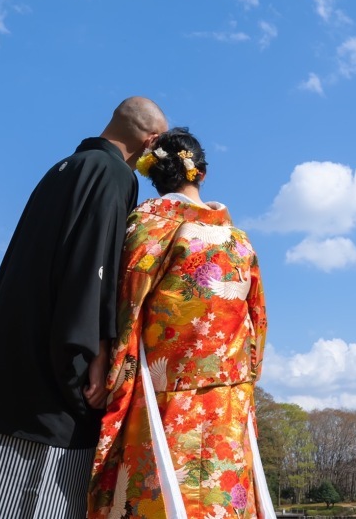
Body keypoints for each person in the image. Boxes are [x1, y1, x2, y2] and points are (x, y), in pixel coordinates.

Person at [0, 97, 169, 519]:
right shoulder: (113, 174)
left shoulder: (62, 169)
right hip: (49, 384)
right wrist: (96, 354)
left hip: (5, 361)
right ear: (150, 141)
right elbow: (93, 265)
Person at [87, 127, 269, 519]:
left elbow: (125, 307)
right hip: (227, 399)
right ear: (201, 173)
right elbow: (257, 326)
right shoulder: (240, 242)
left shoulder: (146, 228)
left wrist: (113, 369)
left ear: (153, 178)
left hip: (162, 393)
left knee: (165, 495)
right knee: (222, 498)